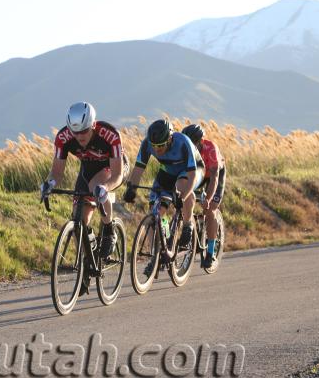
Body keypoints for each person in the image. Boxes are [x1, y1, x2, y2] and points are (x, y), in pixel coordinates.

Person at [40, 102, 129, 294]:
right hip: (87, 170)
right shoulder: (63, 138)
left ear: (93, 125)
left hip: (112, 168)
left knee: (96, 187)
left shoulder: (110, 135)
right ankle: (86, 264)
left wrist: (105, 188)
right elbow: (56, 172)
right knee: (78, 218)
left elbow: (118, 175)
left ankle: (109, 229)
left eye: (84, 132)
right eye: (75, 132)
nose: (79, 137)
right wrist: (49, 185)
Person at [123, 119, 204, 273]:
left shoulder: (183, 142)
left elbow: (192, 175)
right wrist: (131, 188)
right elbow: (139, 168)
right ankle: (157, 255)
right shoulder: (147, 144)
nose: (157, 149)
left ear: (170, 139)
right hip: (168, 172)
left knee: (181, 188)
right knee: (155, 211)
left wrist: (183, 196)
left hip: (193, 170)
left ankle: (187, 225)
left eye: (160, 145)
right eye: (154, 146)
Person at [182, 124, 226, 268]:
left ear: (201, 141)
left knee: (210, 209)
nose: (190, 147)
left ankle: (211, 252)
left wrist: (208, 199)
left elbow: (214, 179)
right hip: (198, 175)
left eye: (193, 144)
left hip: (214, 175)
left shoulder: (211, 149)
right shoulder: (185, 148)